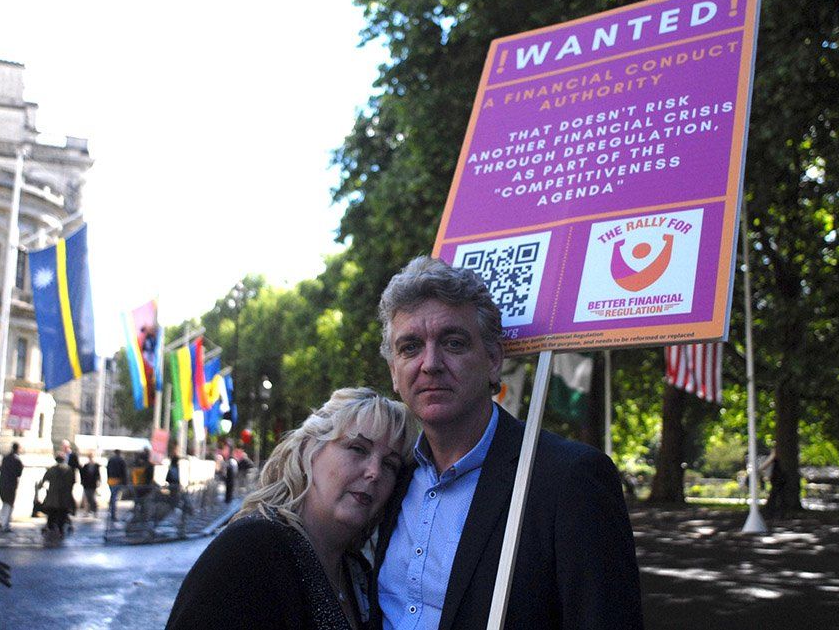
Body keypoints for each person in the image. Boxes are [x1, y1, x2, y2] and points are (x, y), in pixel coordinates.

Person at [373, 257, 643, 629]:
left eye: (453, 343)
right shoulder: (388, 476)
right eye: (410, 348)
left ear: (494, 360)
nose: (430, 363)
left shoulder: (568, 479)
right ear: (393, 372)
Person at [166, 388, 418, 629]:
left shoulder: (359, 573)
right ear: (311, 449)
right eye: (358, 449)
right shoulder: (251, 548)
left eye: (390, 464)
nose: (374, 472)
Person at [41, 454, 76, 537]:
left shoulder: (52, 469)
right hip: (65, 495)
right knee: (62, 513)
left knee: (52, 513)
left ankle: (51, 528)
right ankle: (61, 529)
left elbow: (44, 479)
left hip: (53, 495)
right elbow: (73, 481)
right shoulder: (68, 470)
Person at [0, 442, 23, 532]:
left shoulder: (5, 458)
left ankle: (1, 521)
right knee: (9, 504)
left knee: (4, 503)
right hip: (11, 485)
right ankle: (5, 524)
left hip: (2, 483)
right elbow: (19, 473)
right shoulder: (17, 460)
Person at [107, 448, 128, 520]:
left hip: (111, 480)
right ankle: (113, 514)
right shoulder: (121, 460)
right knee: (114, 497)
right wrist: (125, 482)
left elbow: (108, 470)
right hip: (118, 480)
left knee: (112, 496)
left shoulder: (110, 460)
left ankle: (110, 511)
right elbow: (123, 472)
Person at [80, 452, 101, 517]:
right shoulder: (86, 466)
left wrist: (98, 482)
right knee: (88, 498)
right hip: (87, 484)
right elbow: (82, 475)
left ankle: (94, 511)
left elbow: (98, 475)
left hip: (92, 484)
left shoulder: (96, 465)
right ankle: (87, 511)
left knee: (93, 498)